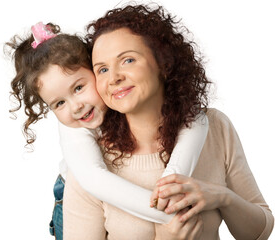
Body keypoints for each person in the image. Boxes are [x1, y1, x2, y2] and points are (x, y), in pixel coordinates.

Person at [62, 3, 274, 240]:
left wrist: (221, 196)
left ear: (163, 63)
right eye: (102, 70)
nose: (114, 78)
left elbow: (258, 232)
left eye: (128, 60)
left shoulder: (214, 127)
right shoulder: (90, 163)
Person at [6, 22, 209, 239]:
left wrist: (172, 178)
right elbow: (96, 181)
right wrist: (168, 212)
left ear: (95, 70)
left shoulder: (121, 92)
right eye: (59, 103)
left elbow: (196, 117)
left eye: (79, 88)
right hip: (78, 197)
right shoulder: (74, 131)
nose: (76, 107)